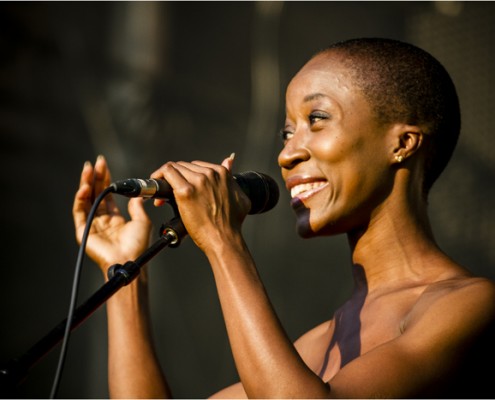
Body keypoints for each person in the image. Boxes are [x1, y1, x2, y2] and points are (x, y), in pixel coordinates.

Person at [73, 38, 495, 398]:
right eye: (287, 132)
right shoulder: (318, 343)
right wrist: (123, 276)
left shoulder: (469, 305)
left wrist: (223, 240)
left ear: (402, 143)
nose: (287, 154)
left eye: (317, 119)